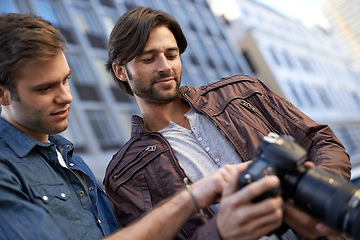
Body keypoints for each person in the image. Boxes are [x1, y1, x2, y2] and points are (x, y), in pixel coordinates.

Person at [0, 13, 284, 240]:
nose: (67, 96)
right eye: (46, 88)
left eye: (65, 80)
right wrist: (195, 203)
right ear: (3, 94)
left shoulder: (66, 157)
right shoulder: (8, 170)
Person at [104, 6, 352, 240]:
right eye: (149, 59)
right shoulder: (124, 176)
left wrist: (316, 195)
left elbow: (321, 140)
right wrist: (220, 231)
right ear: (121, 71)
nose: (165, 67)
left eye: (172, 55)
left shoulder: (244, 92)